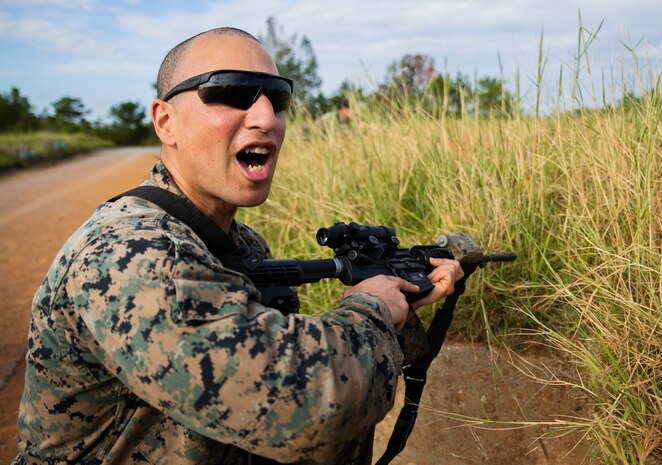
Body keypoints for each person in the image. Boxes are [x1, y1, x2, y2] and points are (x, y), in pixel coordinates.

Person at [13, 27, 464, 465]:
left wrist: (398, 301)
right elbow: (305, 411)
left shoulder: (240, 242)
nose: (267, 118)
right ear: (165, 122)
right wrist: (373, 309)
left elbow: (261, 358)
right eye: (231, 92)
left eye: (279, 98)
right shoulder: (129, 253)